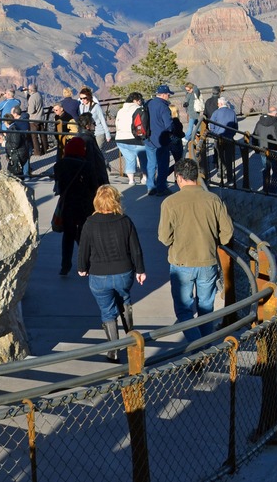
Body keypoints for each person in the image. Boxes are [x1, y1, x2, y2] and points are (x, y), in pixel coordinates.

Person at [158, 158, 234, 341]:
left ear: (179, 177)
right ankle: (205, 347)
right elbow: (227, 233)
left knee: (184, 311)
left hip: (181, 262)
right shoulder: (213, 199)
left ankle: (197, 347)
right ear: (197, 176)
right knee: (206, 308)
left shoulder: (170, 202)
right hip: (207, 260)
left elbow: (164, 237)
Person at [78, 185, 147, 360]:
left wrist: (82, 268)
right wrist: (140, 270)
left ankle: (114, 350)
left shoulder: (89, 223)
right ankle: (131, 336)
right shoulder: (125, 221)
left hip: (98, 275)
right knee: (124, 298)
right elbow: (136, 249)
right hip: (124, 272)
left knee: (107, 312)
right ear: (116, 200)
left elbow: (83, 250)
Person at [56, 136, 97, 276]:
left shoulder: (60, 165)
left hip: (68, 204)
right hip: (84, 204)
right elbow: (94, 186)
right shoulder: (87, 165)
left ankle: (65, 266)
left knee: (68, 235)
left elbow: (59, 188)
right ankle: (88, 264)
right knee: (83, 235)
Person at [146, 85, 176, 196]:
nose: (169, 96)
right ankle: (161, 188)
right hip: (161, 140)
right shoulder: (163, 107)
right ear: (163, 95)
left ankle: (150, 187)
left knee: (151, 164)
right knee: (162, 164)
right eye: (168, 94)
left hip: (149, 139)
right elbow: (169, 125)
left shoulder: (149, 103)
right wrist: (172, 131)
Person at [115, 92, 149, 185]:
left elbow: (116, 124)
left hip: (120, 138)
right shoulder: (139, 109)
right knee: (143, 158)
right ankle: (145, 178)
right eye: (140, 100)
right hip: (134, 138)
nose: (141, 102)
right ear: (135, 100)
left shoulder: (120, 111)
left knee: (129, 159)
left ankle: (131, 180)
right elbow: (142, 124)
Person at [253, 106, 277, 194]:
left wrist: (255, 147)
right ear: (275, 113)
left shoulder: (259, 122)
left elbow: (255, 135)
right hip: (275, 151)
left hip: (263, 150)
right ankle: (273, 190)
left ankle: (265, 188)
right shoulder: (276, 123)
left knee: (265, 169)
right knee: (276, 171)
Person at [210, 96, 239, 187]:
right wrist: (231, 134)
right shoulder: (232, 113)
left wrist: (216, 134)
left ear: (221, 104)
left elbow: (212, 126)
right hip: (229, 138)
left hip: (219, 138)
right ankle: (230, 176)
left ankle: (221, 174)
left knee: (220, 157)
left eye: (218, 103)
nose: (217, 105)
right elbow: (236, 127)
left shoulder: (216, 113)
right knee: (229, 158)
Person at [4, 105, 32, 179]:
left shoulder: (17, 125)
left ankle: (24, 176)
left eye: (12, 113)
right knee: (25, 160)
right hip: (26, 144)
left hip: (22, 146)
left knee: (22, 162)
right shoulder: (24, 120)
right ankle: (26, 175)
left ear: (15, 114)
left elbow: (15, 141)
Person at [26, 83, 46, 154]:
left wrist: (27, 110)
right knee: (42, 135)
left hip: (34, 119)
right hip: (41, 117)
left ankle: (37, 152)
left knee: (34, 137)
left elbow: (31, 110)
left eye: (28, 89)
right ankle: (45, 149)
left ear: (31, 90)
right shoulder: (39, 94)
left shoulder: (32, 98)